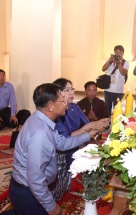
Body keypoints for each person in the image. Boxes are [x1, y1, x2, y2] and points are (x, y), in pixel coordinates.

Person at [6, 83, 109, 215]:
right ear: (50, 106)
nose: (66, 102)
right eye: (62, 100)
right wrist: (52, 207)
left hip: (28, 188)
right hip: (27, 192)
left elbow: (62, 143)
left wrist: (89, 134)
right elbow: (35, 180)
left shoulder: (42, 119)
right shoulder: (40, 134)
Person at [50, 78, 109, 201]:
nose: (71, 93)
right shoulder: (57, 111)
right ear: (58, 93)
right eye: (67, 90)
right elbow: (67, 138)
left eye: (72, 89)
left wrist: (98, 125)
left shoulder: (73, 107)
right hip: (62, 150)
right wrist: (90, 128)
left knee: (101, 154)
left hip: (78, 144)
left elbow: (87, 123)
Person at [102, 45, 129, 115]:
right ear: (114, 52)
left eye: (120, 52)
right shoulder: (109, 59)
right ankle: (107, 124)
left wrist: (119, 64)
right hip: (108, 89)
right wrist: (109, 61)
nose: (118, 54)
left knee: (117, 109)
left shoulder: (125, 62)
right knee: (107, 108)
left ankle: (116, 124)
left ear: (123, 53)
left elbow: (123, 73)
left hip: (118, 90)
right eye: (116, 52)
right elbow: (103, 69)